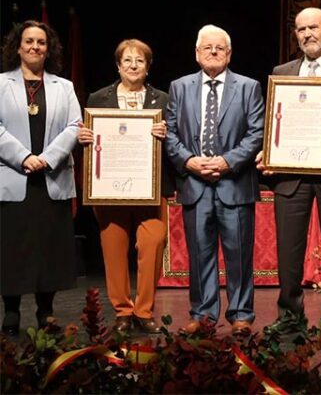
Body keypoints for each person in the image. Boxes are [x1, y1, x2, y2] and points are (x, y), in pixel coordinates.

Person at [256, 8, 321, 334]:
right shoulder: (282, 71)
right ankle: (289, 315)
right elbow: (276, 119)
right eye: (301, 29)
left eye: (313, 27)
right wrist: (268, 150)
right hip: (292, 172)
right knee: (289, 249)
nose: (307, 34)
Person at [166, 25, 264, 335]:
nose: (213, 52)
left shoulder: (249, 87)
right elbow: (169, 132)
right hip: (195, 186)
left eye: (219, 48)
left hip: (234, 184)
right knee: (200, 255)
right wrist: (189, 161)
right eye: (206, 47)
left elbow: (256, 133)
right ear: (196, 53)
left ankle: (241, 315)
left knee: (238, 255)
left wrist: (226, 162)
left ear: (229, 53)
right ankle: (203, 315)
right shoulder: (179, 87)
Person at [77, 39, 174, 333]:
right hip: (111, 189)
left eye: (140, 61)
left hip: (151, 188)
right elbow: (91, 138)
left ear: (148, 67)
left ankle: (144, 311)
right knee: (114, 249)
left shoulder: (163, 100)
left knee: (153, 242)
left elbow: (178, 142)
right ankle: (122, 310)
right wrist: (84, 139)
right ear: (118, 65)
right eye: (128, 60)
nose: (133, 66)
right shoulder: (98, 99)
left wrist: (166, 133)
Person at [0, 20, 81, 335]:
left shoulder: (64, 87)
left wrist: (46, 159)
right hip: (13, 177)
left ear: (49, 50)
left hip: (51, 177)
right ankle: (10, 312)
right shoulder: (1, 83)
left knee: (49, 248)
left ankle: (46, 312)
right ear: (18, 46)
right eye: (29, 41)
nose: (35, 47)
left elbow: (75, 125)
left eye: (41, 42)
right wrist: (23, 157)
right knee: (12, 248)